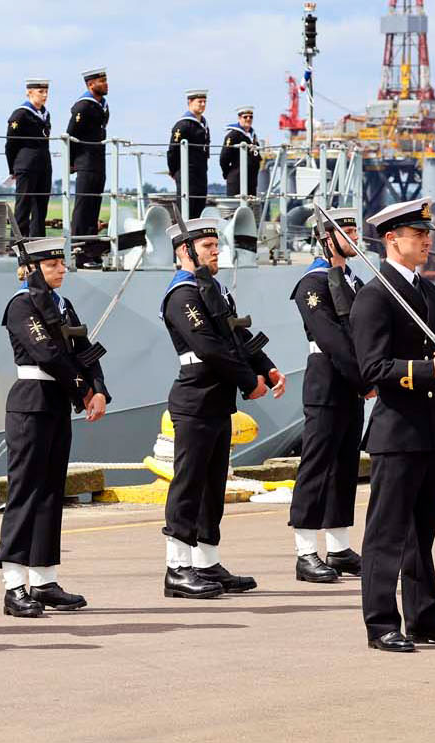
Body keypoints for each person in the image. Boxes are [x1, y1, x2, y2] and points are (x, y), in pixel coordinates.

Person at [352, 197, 435, 653]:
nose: (427, 241)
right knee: (387, 534)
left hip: (430, 429)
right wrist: (428, 371)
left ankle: (424, 617)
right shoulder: (373, 295)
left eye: (428, 234)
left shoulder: (428, 292)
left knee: (422, 532)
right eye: (417, 235)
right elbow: (372, 368)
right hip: (396, 431)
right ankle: (381, 623)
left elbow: (431, 355)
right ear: (391, 239)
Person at [159, 217, 285, 599]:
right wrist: (250, 381)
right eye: (208, 246)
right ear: (186, 251)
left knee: (213, 486)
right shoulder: (182, 295)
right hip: (195, 399)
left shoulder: (213, 290)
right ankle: (177, 568)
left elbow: (236, 333)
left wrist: (267, 366)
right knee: (189, 484)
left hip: (217, 400)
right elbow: (209, 347)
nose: (217, 251)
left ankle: (206, 562)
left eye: (216, 244)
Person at [0, 237, 111, 617]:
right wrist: (83, 392)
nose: (61, 270)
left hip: (58, 402)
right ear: (31, 270)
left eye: (61, 264)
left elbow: (84, 349)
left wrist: (99, 389)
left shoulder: (64, 305)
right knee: (25, 492)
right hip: (31, 401)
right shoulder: (21, 304)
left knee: (49, 493)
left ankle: (44, 580)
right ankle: (14, 584)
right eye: (51, 265)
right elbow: (46, 353)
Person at [287, 208, 368, 583]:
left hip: (351, 384)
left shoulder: (353, 281)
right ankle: (305, 551)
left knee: (344, 467)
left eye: (354, 228)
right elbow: (331, 339)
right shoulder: (312, 284)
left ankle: (338, 548)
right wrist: (365, 377)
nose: (352, 235)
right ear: (326, 238)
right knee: (316, 466)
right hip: (327, 381)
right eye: (344, 230)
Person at [66, 68, 109, 268]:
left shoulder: (102, 106)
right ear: (91, 84)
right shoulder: (83, 106)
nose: (106, 83)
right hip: (85, 162)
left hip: (98, 162)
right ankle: (79, 252)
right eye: (102, 81)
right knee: (83, 208)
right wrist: (71, 162)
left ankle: (91, 250)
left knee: (93, 208)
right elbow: (71, 134)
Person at [6, 78, 52, 238]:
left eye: (46, 91)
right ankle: (17, 242)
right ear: (29, 92)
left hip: (43, 164)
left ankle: (37, 240)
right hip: (26, 164)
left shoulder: (45, 114)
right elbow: (10, 144)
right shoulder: (21, 114)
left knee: (41, 206)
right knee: (23, 205)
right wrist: (13, 168)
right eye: (41, 92)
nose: (45, 95)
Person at [166, 89, 211, 218]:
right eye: (199, 101)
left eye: (204, 102)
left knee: (199, 206)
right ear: (190, 102)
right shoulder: (184, 125)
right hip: (187, 172)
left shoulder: (204, 124)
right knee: (187, 207)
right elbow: (172, 150)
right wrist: (173, 170)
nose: (203, 104)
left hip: (201, 172)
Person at [220, 106, 260, 197]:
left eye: (251, 117)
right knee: (235, 208)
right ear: (239, 118)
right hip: (237, 180)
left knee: (251, 207)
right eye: (245, 117)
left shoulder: (253, 136)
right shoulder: (233, 136)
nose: (248, 119)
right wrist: (229, 174)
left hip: (251, 181)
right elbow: (224, 158)